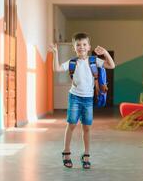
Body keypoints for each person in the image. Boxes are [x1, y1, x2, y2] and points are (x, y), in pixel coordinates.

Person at [48, 32, 115, 169]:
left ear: (89, 47)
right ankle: (66, 153)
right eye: (78, 45)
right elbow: (57, 68)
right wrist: (55, 53)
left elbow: (111, 65)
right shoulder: (72, 62)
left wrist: (105, 53)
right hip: (74, 98)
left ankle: (86, 154)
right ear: (74, 48)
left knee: (87, 128)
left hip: (88, 99)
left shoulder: (94, 61)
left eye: (84, 44)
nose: (81, 47)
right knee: (71, 125)